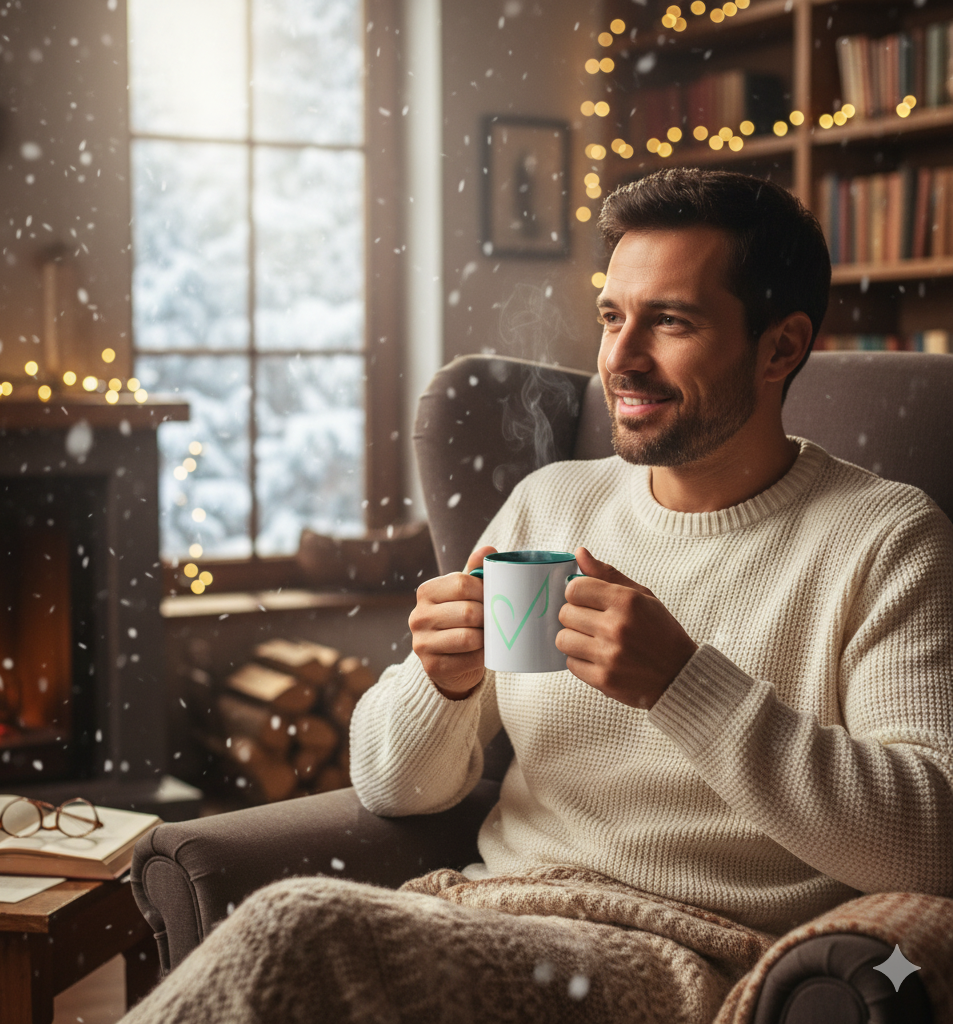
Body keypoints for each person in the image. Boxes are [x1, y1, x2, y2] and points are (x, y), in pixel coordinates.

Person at [122, 168, 953, 1023]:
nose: (620, 359)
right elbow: (391, 787)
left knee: (297, 927)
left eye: (670, 321)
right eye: (612, 317)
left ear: (780, 348)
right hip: (484, 912)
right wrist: (439, 684)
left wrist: (684, 686)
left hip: (685, 955)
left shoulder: (884, 539)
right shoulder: (552, 503)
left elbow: (934, 841)